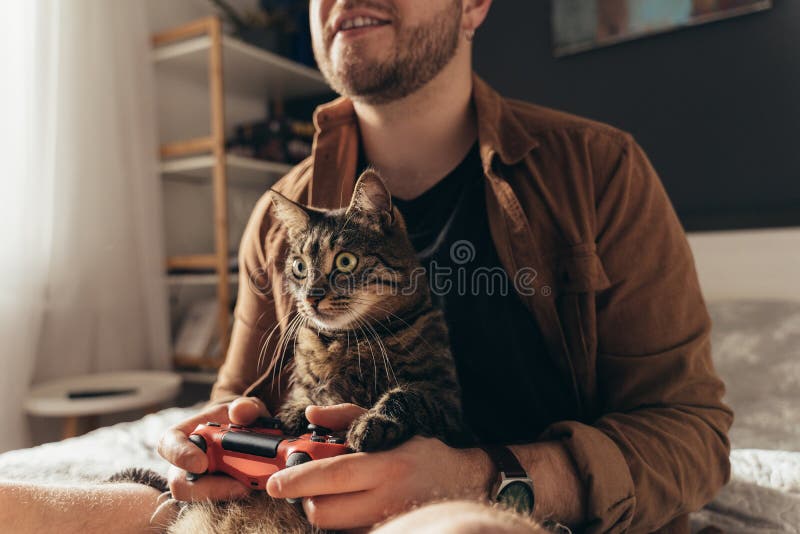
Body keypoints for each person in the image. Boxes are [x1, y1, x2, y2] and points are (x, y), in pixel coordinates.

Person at [0, 1, 732, 532]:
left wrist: (483, 478)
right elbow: (238, 406)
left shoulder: (599, 173)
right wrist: (205, 449)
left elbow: (693, 438)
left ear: (474, 5)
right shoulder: (277, 215)